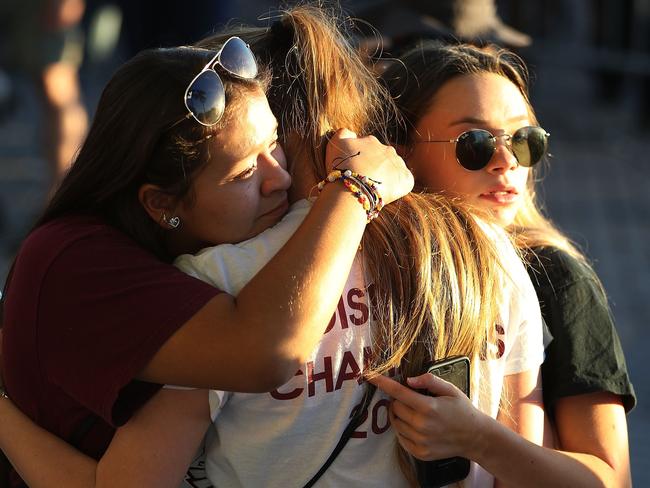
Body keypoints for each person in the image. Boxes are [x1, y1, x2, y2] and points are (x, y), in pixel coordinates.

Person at [0, 6, 544, 487]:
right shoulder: (489, 250)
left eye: (273, 151)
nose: (275, 179)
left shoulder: (217, 277)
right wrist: (358, 191)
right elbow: (529, 465)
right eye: (242, 170)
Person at [374, 40, 635, 487]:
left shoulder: (554, 275)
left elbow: (612, 479)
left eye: (524, 140)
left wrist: (479, 439)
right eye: (474, 143)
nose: (507, 161)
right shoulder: (363, 263)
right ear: (401, 151)